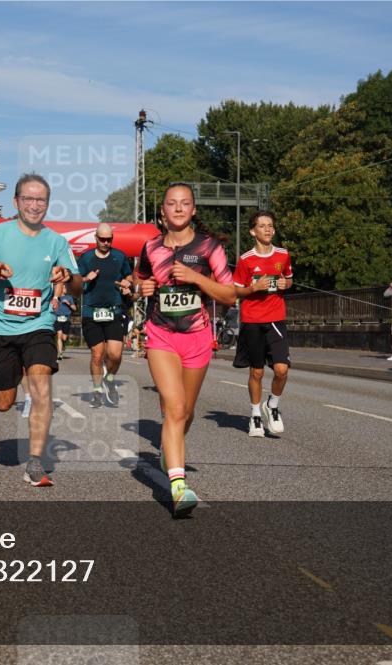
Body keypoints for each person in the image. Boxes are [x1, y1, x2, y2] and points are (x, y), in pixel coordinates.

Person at [0, 174, 81, 487]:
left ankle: (36, 462)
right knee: (5, 400)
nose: (34, 205)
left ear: (47, 204)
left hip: (38, 325)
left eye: (40, 200)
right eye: (28, 198)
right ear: (16, 202)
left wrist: (67, 275)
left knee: (41, 388)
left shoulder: (56, 242)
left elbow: (79, 285)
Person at [136, 183, 235, 518]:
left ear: (193, 210)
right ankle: (178, 487)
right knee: (174, 408)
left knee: (186, 413)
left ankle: (168, 452)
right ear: (162, 211)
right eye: (171, 204)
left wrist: (196, 277)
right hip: (161, 333)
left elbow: (229, 295)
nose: (177, 209)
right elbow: (139, 282)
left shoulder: (210, 247)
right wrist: (142, 287)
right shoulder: (150, 247)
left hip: (197, 337)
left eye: (184, 204)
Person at [232, 210, 294, 438]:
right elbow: (236, 290)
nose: (268, 229)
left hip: (276, 317)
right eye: (262, 226)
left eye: (271, 226)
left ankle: (273, 405)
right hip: (252, 320)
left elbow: (289, 278)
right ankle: (256, 414)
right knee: (256, 372)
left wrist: (285, 284)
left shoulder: (283, 255)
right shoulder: (245, 260)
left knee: (281, 369)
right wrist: (253, 288)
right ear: (253, 231)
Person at [78, 222, 134, 408]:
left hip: (114, 311)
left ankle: (109, 379)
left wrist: (127, 283)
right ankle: (97, 391)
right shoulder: (86, 258)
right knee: (97, 354)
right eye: (102, 239)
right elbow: (75, 284)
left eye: (109, 239)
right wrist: (86, 278)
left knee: (115, 355)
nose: (105, 242)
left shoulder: (119, 256)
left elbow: (129, 276)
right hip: (91, 312)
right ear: (95, 238)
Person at [52, 287, 76, 361]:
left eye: (66, 288)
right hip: (57, 319)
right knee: (59, 334)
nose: (66, 289)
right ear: (61, 289)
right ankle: (60, 353)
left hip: (66, 319)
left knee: (64, 338)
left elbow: (74, 308)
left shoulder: (69, 297)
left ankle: (62, 345)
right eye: (65, 288)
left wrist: (68, 303)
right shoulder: (56, 298)